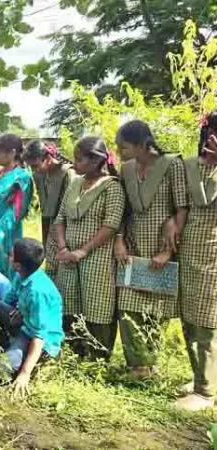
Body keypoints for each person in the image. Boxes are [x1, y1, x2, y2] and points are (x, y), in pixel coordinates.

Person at [114, 120, 188, 378]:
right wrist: (120, 239)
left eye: (124, 147)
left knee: (157, 306)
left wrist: (168, 251)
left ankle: (151, 362)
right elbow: (123, 208)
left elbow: (182, 208)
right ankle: (136, 364)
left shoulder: (172, 165)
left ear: (142, 144)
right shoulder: (127, 169)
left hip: (162, 244)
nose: (120, 152)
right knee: (128, 302)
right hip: (133, 243)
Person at [54, 136, 125, 360]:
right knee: (69, 303)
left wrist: (83, 250)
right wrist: (64, 247)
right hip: (68, 256)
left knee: (98, 305)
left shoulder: (112, 187)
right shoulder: (74, 183)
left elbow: (111, 225)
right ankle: (74, 354)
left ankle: (97, 359)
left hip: (97, 256)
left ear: (95, 161)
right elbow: (60, 218)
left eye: (79, 160)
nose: (74, 164)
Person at [0, 239, 64, 397]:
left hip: (40, 341)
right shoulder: (21, 275)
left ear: (17, 265)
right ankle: (9, 344)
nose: (7, 257)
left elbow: (39, 337)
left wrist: (25, 374)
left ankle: (26, 359)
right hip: (24, 324)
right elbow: (6, 302)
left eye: (10, 256)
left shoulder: (38, 291)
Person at [175, 112, 217, 411]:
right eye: (211, 131)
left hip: (213, 255)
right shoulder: (190, 167)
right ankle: (200, 376)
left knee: (207, 318)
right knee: (188, 316)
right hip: (189, 250)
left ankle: (205, 391)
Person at [0, 134, 34, 280]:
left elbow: (17, 211)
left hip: (7, 231)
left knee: (4, 265)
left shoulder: (21, 177)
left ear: (12, 153)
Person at [24, 140, 75, 278]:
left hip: (69, 231)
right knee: (51, 271)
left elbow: (70, 210)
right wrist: (44, 242)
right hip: (52, 230)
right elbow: (45, 212)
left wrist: (63, 241)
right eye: (31, 167)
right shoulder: (39, 176)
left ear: (47, 158)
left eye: (35, 165)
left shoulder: (68, 174)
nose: (34, 170)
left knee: (66, 272)